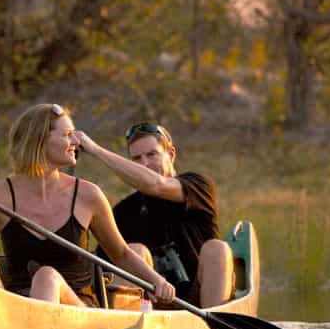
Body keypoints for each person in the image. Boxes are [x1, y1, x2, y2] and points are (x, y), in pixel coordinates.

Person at [0, 103, 174, 308]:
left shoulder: (87, 194)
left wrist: (157, 282)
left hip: (77, 310)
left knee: (47, 276)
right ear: (40, 140)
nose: (76, 140)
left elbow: (121, 254)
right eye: (66, 135)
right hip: (20, 308)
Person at [75, 122, 233, 308]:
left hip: (201, 299)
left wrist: (95, 150)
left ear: (171, 155)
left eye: (152, 154)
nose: (145, 164)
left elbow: (156, 185)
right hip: (149, 305)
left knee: (217, 248)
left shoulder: (198, 187)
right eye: (137, 159)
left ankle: (215, 327)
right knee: (135, 251)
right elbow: (100, 268)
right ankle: (124, 328)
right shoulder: (123, 212)